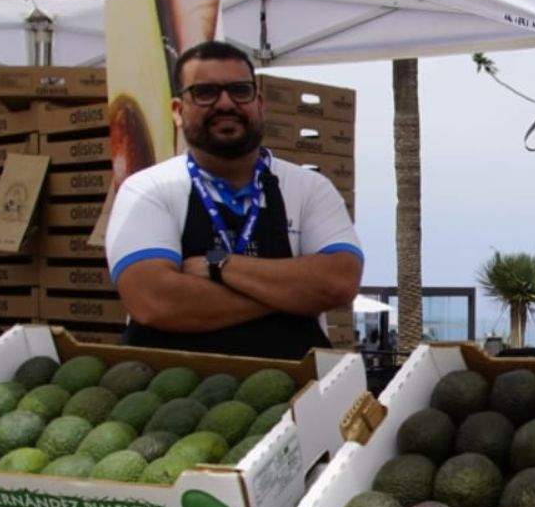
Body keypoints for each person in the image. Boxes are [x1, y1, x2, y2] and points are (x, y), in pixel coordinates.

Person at [105, 40, 363, 359]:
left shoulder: (309, 188)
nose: (225, 103)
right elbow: (155, 300)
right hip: (167, 396)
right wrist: (291, 296)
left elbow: (338, 282)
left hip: (292, 394)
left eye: (240, 91)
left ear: (260, 103)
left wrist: (219, 265)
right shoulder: (147, 189)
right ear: (177, 111)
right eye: (205, 92)